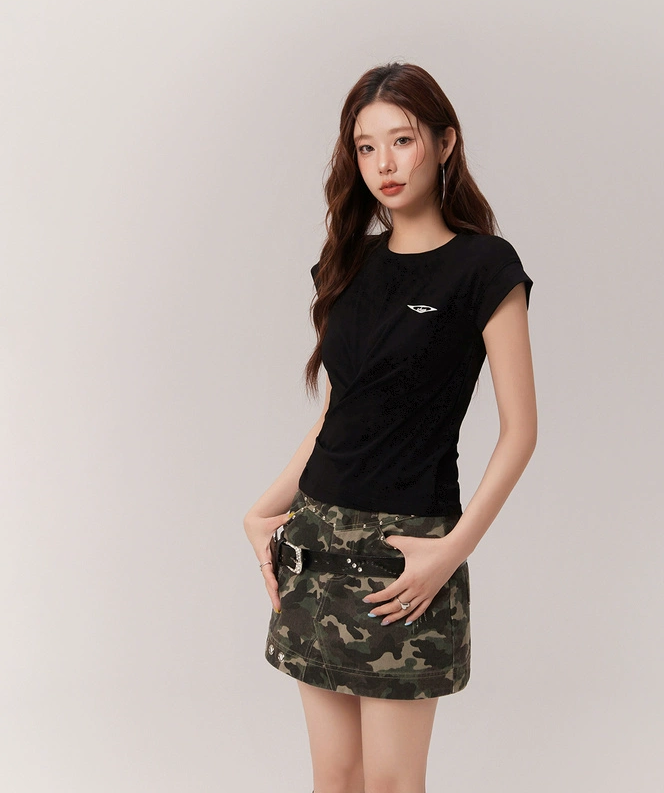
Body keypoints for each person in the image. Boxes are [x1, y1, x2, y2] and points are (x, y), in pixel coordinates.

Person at [243, 61, 538, 793]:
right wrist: (262, 509)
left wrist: (451, 552)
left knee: (392, 783)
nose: (384, 165)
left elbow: (521, 431)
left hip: (407, 560)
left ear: (445, 142)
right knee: (336, 776)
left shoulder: (484, 266)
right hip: (314, 546)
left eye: (402, 141)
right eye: (366, 147)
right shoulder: (347, 264)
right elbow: (337, 414)